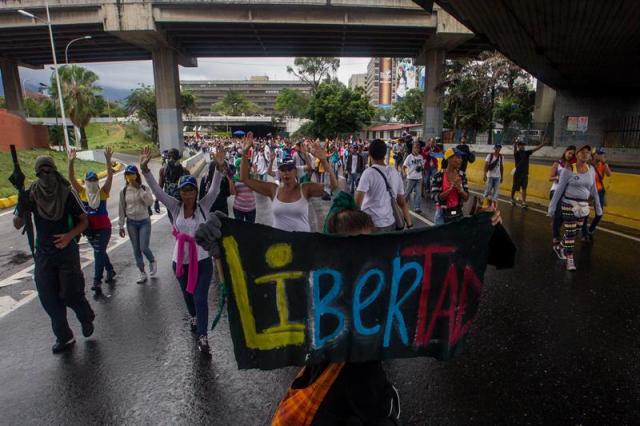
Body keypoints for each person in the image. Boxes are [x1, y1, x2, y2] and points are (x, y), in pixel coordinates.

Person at [140, 146, 225, 354]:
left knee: (199, 297)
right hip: (180, 262)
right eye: (184, 191)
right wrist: (145, 169)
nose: (188, 195)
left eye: (191, 190)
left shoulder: (204, 207)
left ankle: (203, 336)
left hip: (203, 261)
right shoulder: (175, 207)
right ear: (180, 192)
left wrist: (219, 166)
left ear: (196, 192)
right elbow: (158, 192)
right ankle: (194, 317)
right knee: (188, 297)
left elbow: (214, 189)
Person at [13, 156, 95, 353]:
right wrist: (21, 204)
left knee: (71, 293)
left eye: (49, 171)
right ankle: (64, 336)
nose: (46, 176)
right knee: (48, 296)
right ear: (36, 174)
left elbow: (84, 221)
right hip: (43, 251)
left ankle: (86, 316)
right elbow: (17, 224)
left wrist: (69, 237)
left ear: (54, 171)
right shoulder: (31, 194)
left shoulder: (67, 192)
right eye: (41, 172)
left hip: (66, 250)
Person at [240, 135, 337, 233]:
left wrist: (324, 161)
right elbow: (245, 179)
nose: (287, 173)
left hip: (302, 244)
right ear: (279, 173)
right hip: (279, 245)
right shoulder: (273, 189)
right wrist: (244, 153)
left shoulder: (305, 188)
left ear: (296, 171)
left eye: (290, 169)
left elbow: (332, 188)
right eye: (283, 170)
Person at [68, 148, 116, 296]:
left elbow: (109, 177)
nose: (92, 182)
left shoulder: (103, 192)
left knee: (98, 252)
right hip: (89, 230)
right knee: (100, 252)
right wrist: (71, 161)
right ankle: (110, 270)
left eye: (95, 180)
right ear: (85, 182)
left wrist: (108, 161)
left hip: (104, 229)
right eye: (89, 180)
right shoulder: (81, 193)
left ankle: (96, 281)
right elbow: (71, 178)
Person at [548, 145, 602, 271]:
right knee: (571, 233)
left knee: (574, 231)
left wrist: (598, 207)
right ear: (577, 155)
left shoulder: (591, 170)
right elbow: (559, 189)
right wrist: (552, 207)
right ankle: (570, 258)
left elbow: (594, 190)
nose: (585, 154)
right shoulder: (569, 169)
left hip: (583, 206)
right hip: (568, 204)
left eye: (588, 153)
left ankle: (560, 246)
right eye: (582, 152)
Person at [355, 139, 412, 232]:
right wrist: (410, 225)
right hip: (390, 224)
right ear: (385, 153)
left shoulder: (369, 173)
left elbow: (357, 203)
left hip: (371, 224)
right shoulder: (394, 172)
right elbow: (402, 202)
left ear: (370, 153)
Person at [118, 165, 156, 284]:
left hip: (144, 220)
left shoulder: (144, 188)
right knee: (136, 249)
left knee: (143, 247)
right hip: (131, 223)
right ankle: (142, 272)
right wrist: (120, 225)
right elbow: (122, 208)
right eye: (128, 174)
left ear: (136, 175)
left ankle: (152, 261)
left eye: (132, 174)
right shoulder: (123, 191)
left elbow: (150, 202)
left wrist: (140, 189)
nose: (130, 176)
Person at [430, 148, 470, 225]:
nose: (461, 160)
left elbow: (466, 198)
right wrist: (449, 190)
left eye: (461, 158)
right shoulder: (438, 177)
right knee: (441, 236)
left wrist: (460, 190)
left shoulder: (462, 176)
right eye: (458, 157)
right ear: (449, 159)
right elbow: (434, 197)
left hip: (458, 213)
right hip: (442, 214)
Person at [581, 147, 612, 241]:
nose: (601, 155)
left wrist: (605, 164)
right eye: (599, 153)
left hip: (599, 191)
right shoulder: (588, 165)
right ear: (594, 155)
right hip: (589, 191)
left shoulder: (603, 165)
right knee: (585, 213)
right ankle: (584, 234)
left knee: (599, 214)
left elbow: (609, 174)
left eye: (602, 154)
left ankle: (590, 229)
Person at [549, 145, 576, 252]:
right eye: (569, 153)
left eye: (573, 154)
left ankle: (555, 227)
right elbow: (550, 177)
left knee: (563, 216)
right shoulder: (557, 163)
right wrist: (559, 177)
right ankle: (556, 236)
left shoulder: (573, 167)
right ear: (565, 152)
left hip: (567, 193)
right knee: (559, 214)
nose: (570, 155)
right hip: (556, 191)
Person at [511, 138, 547, 208]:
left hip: (525, 174)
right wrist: (515, 143)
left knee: (524, 188)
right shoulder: (517, 154)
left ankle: (523, 202)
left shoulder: (526, 153)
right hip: (517, 174)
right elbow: (515, 150)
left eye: (523, 145)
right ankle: (512, 199)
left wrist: (543, 144)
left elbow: (536, 149)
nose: (523, 146)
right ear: (518, 146)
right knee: (515, 187)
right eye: (521, 145)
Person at [156, 148, 189, 221]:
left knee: (180, 220)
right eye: (170, 157)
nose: (171, 159)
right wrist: (156, 201)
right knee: (173, 220)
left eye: (173, 157)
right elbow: (160, 186)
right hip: (169, 201)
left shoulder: (184, 172)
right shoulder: (163, 171)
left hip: (181, 201)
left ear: (177, 158)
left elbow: (190, 188)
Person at [231, 157, 257, 223]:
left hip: (251, 208)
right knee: (240, 229)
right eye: (245, 164)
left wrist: (255, 172)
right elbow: (233, 193)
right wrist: (230, 180)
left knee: (250, 229)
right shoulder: (234, 178)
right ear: (239, 166)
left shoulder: (251, 176)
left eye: (248, 164)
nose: (248, 165)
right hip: (238, 208)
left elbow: (254, 188)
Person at [403, 141, 426, 213]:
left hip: (419, 178)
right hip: (411, 178)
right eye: (415, 148)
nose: (416, 149)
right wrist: (404, 173)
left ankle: (417, 208)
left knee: (418, 193)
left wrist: (421, 169)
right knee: (407, 193)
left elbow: (422, 166)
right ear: (413, 148)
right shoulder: (409, 157)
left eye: (418, 148)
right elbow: (403, 166)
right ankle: (402, 204)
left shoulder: (421, 157)